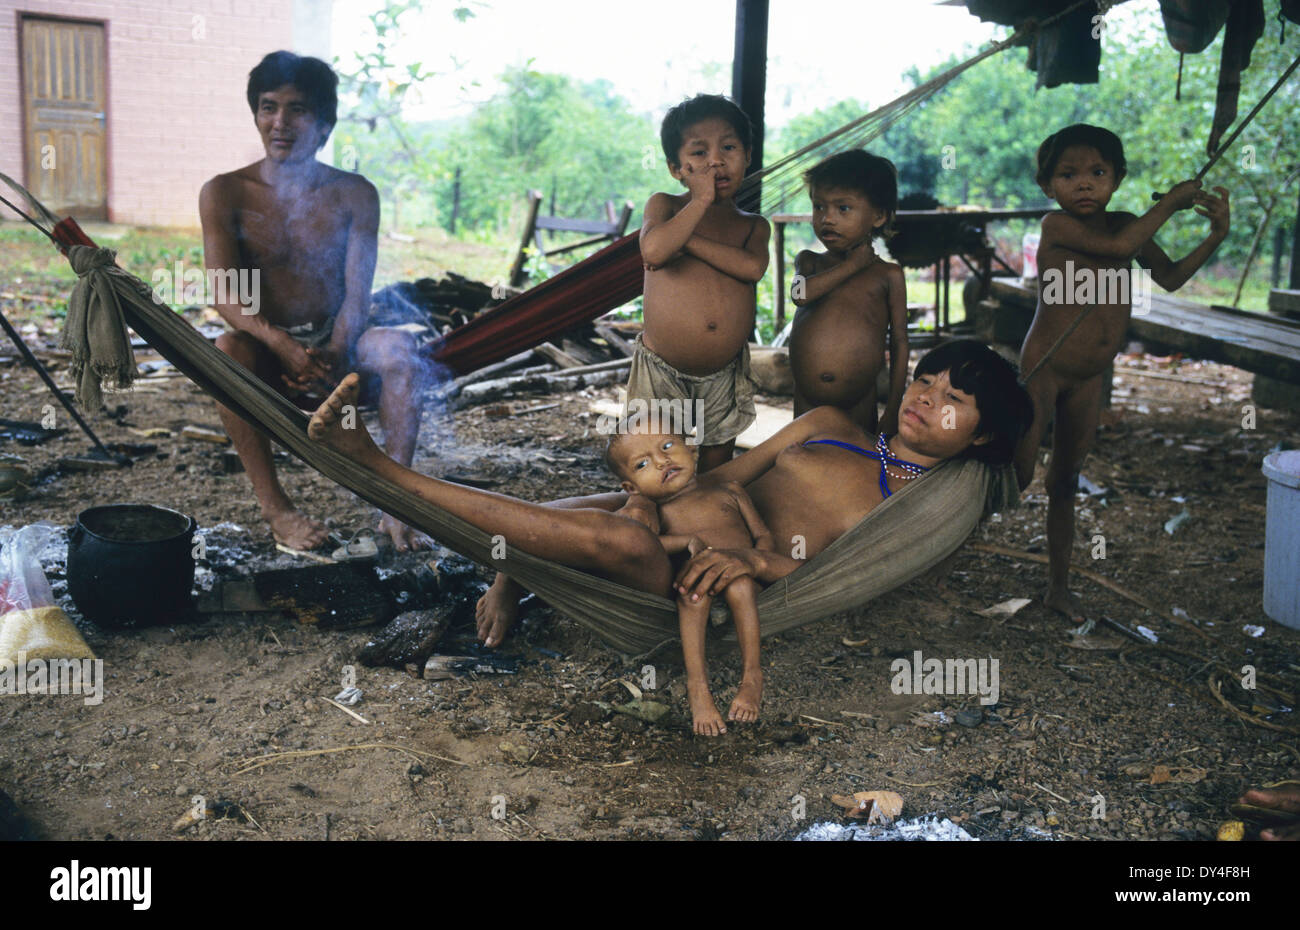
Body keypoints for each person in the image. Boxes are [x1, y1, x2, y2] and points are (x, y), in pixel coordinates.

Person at [299, 339, 1029, 651]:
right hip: (680, 516)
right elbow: (723, 479)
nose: (926, 398)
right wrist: (644, 500)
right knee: (566, 518)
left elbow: (823, 582)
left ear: (981, 440)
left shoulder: (917, 511)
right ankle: (509, 575)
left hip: (694, 574)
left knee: (611, 539)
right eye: (926, 382)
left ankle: (382, 472)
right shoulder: (830, 425)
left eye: (953, 400)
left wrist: (749, 563)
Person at [200, 50, 432, 553]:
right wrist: (278, 342)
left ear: (324, 125)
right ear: (256, 113)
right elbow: (224, 291)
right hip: (265, 343)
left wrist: (341, 347)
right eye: (268, 107)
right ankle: (277, 510)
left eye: (298, 110)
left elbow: (357, 291)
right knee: (225, 352)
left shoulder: (354, 193)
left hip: (338, 334)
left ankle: (396, 502)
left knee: (399, 352)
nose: (280, 123)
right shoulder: (224, 192)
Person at [1014, 124, 1229, 623]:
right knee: (1018, 471)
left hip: (1091, 377)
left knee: (1065, 481)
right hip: (1044, 370)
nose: (1084, 184)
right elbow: (1116, 249)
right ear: (1048, 187)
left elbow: (1170, 277)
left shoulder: (1129, 224)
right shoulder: (1056, 226)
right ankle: (941, 541)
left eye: (1097, 173)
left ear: (1118, 178)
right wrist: (1171, 204)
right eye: (1068, 175)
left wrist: (1217, 235)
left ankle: (1058, 587)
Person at [634, 94, 771, 471]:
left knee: (717, 463)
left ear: (747, 156)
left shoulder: (752, 225)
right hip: (661, 368)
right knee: (654, 456)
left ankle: (706, 516)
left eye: (728, 147)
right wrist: (699, 202)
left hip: (724, 372)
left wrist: (689, 242)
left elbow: (751, 268)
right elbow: (655, 252)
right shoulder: (664, 206)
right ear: (675, 168)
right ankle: (645, 515)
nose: (715, 160)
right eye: (699, 152)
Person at [607, 428, 774, 735]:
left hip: (741, 576)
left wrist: (757, 560)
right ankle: (698, 686)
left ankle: (752, 675)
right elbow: (649, 545)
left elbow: (762, 534)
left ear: (693, 450)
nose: (661, 461)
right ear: (632, 487)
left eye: (668, 446)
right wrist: (687, 540)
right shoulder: (655, 509)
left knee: (740, 585)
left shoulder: (730, 490)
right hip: (693, 583)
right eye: (643, 464)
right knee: (692, 595)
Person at [789, 150, 908, 435]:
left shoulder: (888, 275)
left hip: (859, 403)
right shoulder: (809, 261)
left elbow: (900, 343)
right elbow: (800, 295)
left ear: (878, 216)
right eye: (819, 207)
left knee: (855, 468)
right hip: (806, 401)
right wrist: (852, 266)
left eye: (842, 209)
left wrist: (893, 409)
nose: (827, 219)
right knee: (804, 468)